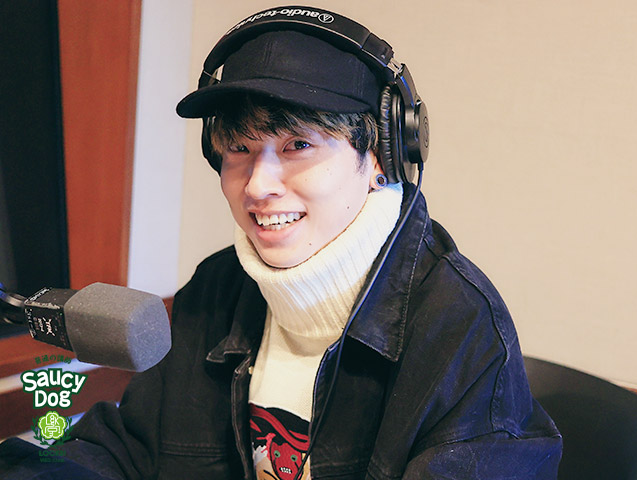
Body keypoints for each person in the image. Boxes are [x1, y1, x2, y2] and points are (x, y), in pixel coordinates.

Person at [0, 6, 562, 480]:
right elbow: (126, 449)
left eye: (297, 145)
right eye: (239, 149)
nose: (257, 185)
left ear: (382, 157)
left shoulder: (460, 329)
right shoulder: (217, 289)